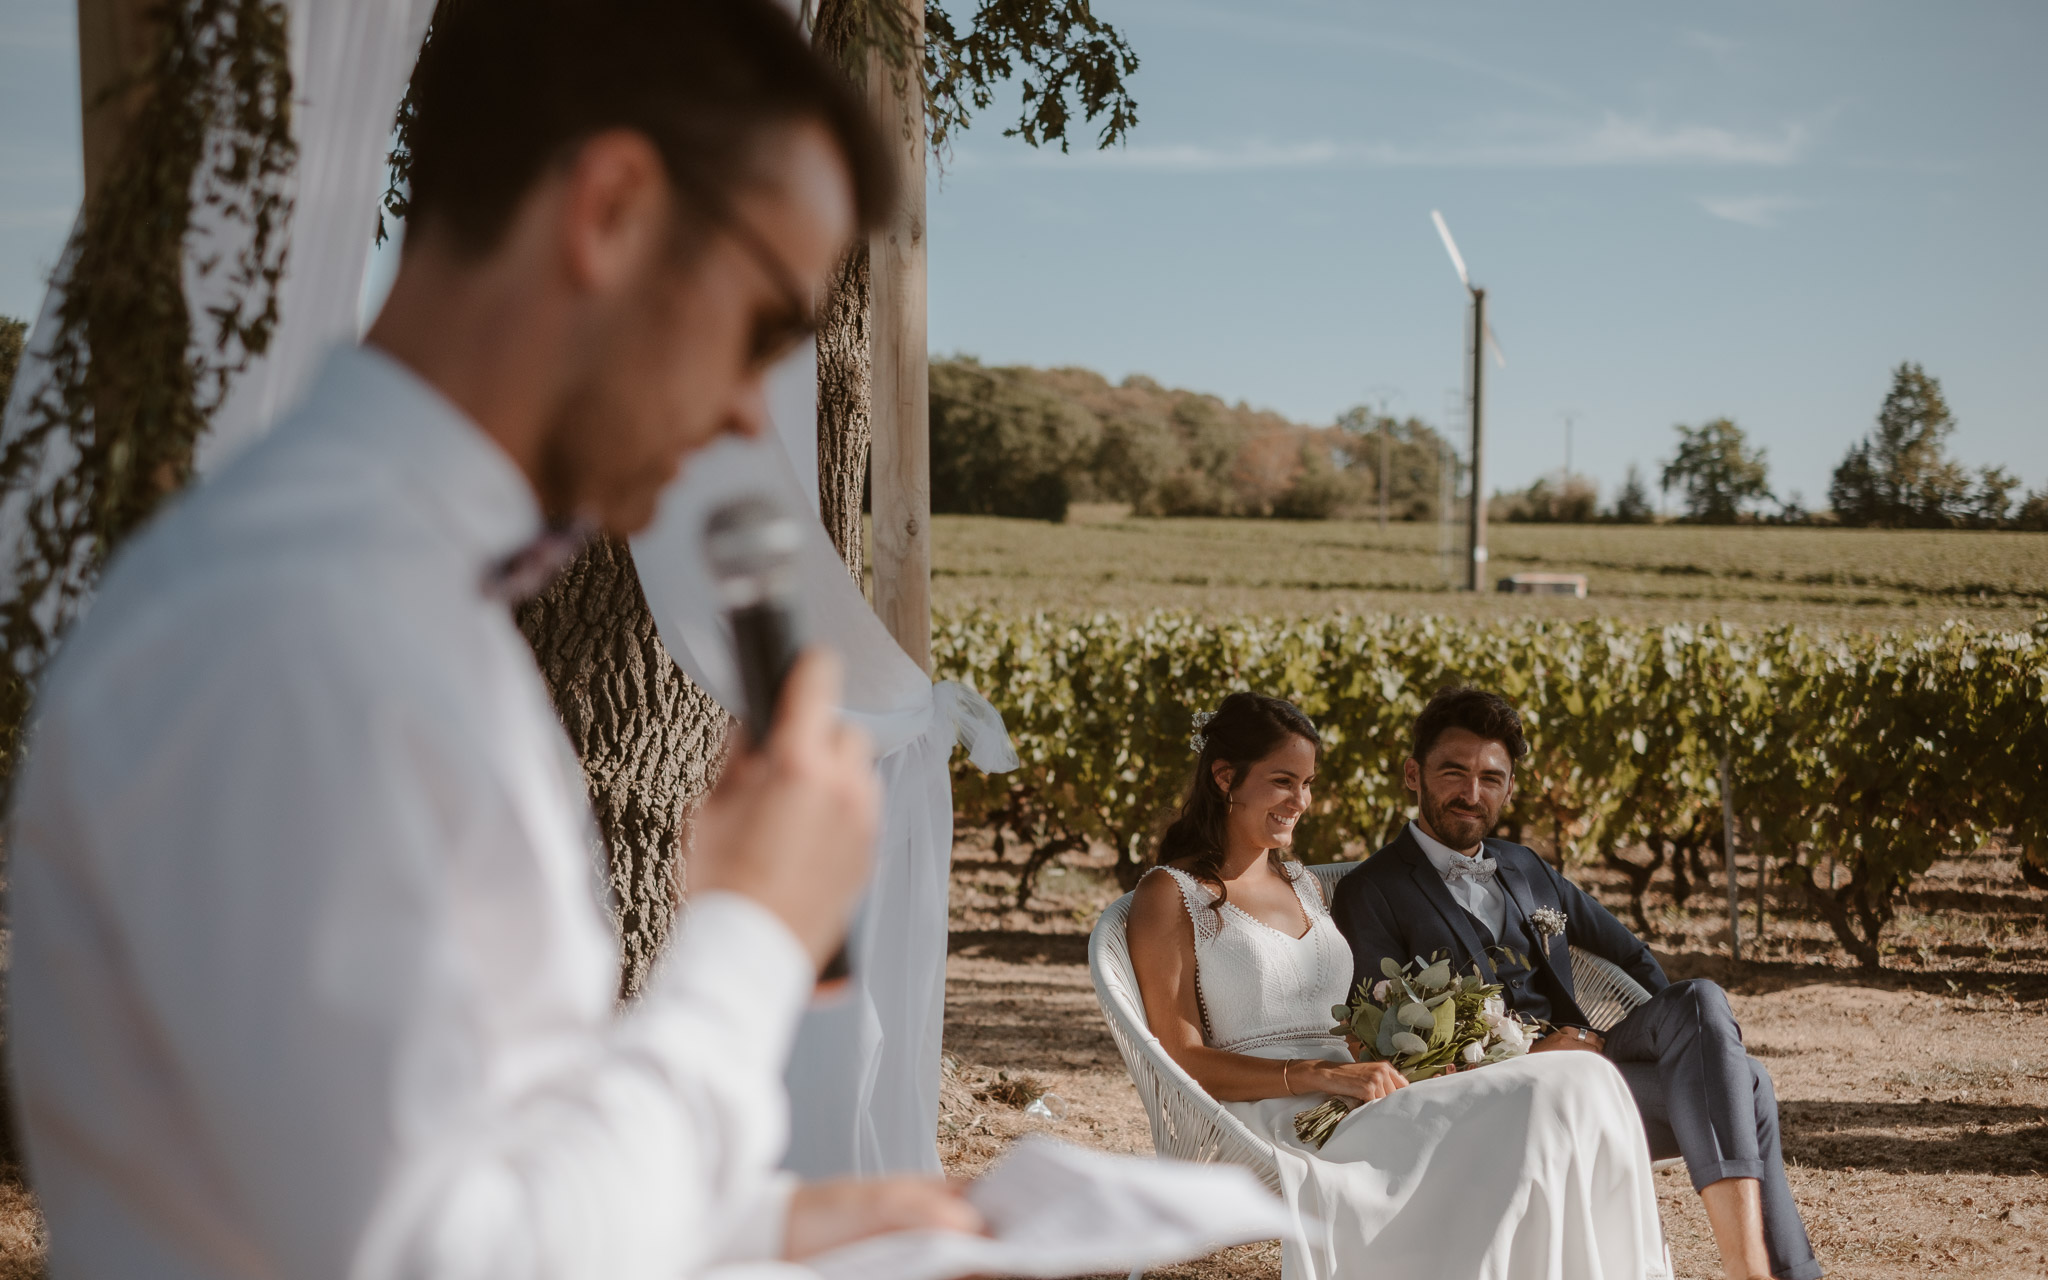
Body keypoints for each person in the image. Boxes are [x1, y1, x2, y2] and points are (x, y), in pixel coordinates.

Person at [5, 1, 981, 1276]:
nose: (751, 419)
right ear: (611, 208)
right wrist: (750, 932)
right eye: (757, 330)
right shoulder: (302, 625)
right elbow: (425, 1256)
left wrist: (765, 1225)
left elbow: (446, 1172)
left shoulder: (401, 601)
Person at [1126, 693, 1667, 1280]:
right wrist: (1316, 1075)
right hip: (1270, 1114)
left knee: (1582, 1077)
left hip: (1367, 1090)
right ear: (1226, 777)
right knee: (1534, 1101)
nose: (1300, 802)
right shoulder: (1171, 894)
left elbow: (1348, 1017)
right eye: (1284, 781)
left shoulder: (1301, 883)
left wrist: (1422, 1059)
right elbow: (1180, 1060)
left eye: (1307, 783)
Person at [1329, 686, 1822, 1280]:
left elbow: (1632, 956)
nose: (1471, 793)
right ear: (1414, 774)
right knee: (1747, 1081)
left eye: (1491, 777)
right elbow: (1384, 1039)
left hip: (1588, 1072)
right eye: (1453, 772)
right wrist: (1537, 1052)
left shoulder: (1526, 867)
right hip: (1495, 1104)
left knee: (1704, 1012)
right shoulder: (1371, 889)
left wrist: (1667, 1053)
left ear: (1509, 786)